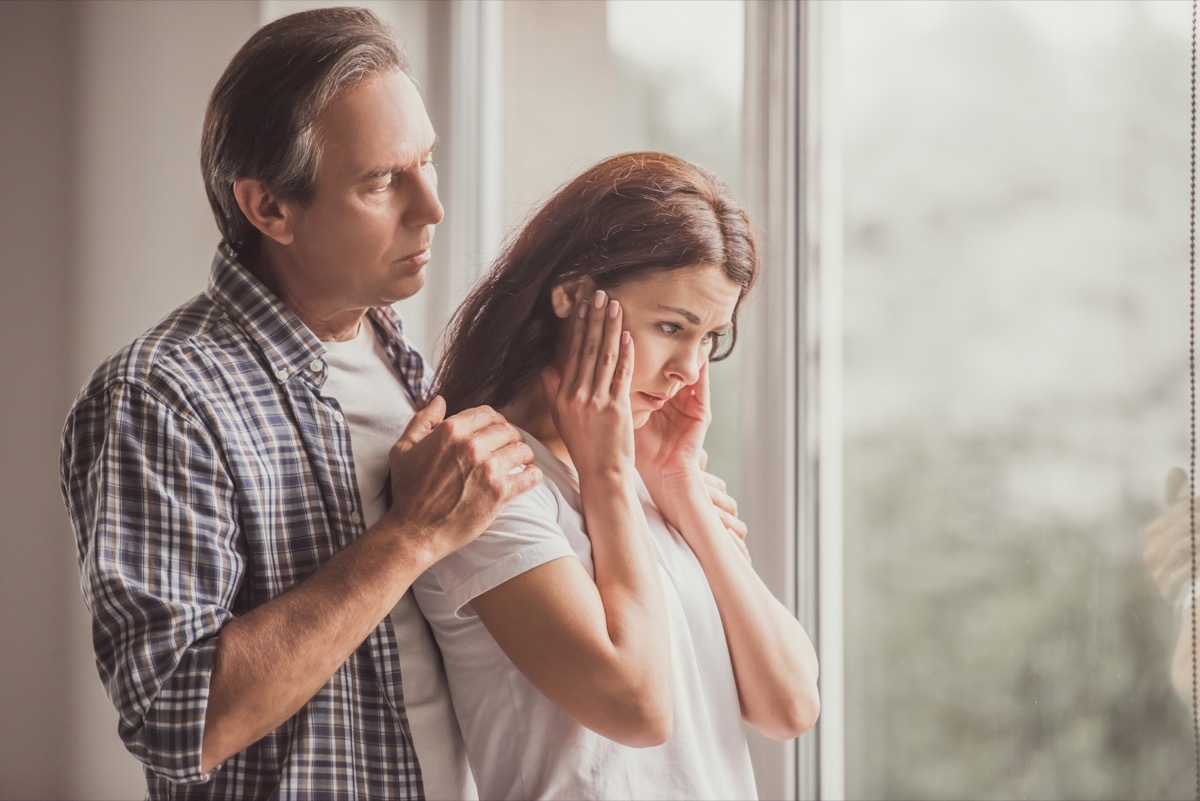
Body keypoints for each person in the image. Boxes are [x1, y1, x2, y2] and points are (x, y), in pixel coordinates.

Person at [58, 7, 544, 799]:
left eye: (427, 161)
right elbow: (179, 718)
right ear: (269, 209)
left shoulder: (410, 366)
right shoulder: (159, 395)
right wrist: (410, 536)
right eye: (383, 180)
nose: (431, 206)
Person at [413, 152, 821, 800]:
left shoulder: (652, 481)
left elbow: (791, 704)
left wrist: (679, 482)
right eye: (671, 326)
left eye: (710, 338)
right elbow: (637, 705)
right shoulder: (488, 477)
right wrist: (606, 472)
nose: (689, 367)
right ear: (573, 294)